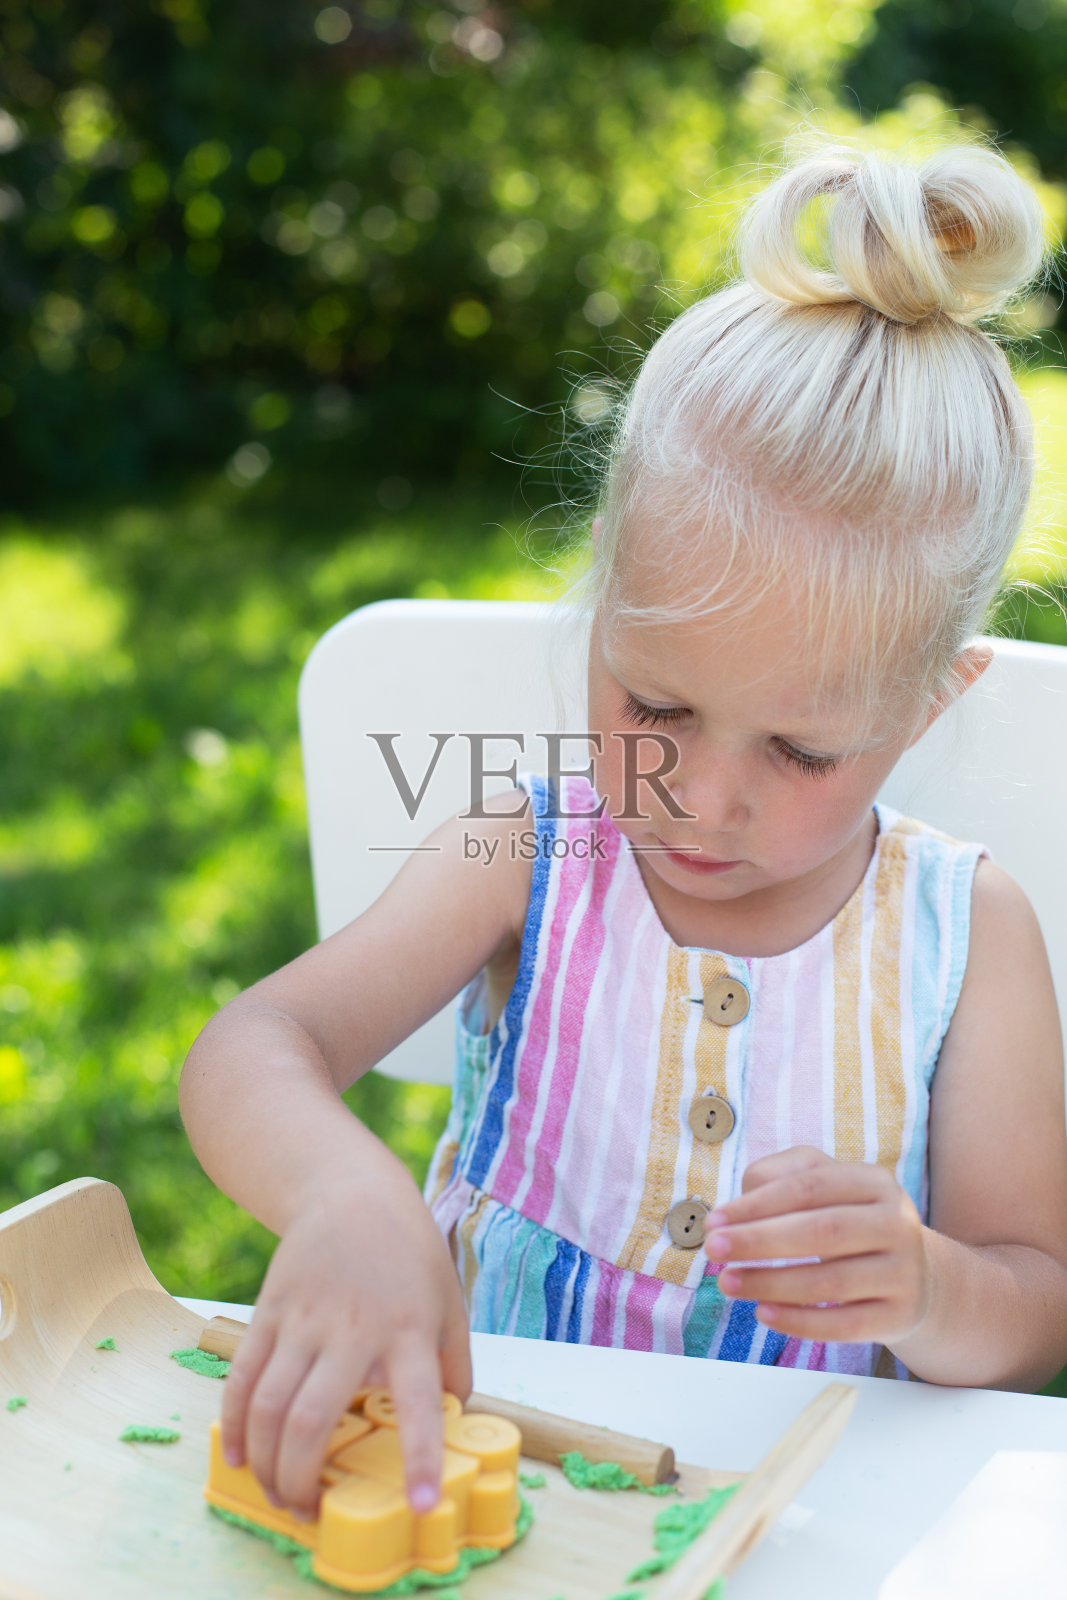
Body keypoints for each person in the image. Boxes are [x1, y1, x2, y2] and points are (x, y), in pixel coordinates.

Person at [179, 140, 1067, 1527]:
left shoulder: (969, 933)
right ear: (601, 607)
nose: (703, 796)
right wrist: (348, 1200)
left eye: (801, 748)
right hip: (483, 1480)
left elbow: (1036, 1302)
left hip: (810, 1517)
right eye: (655, 701)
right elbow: (251, 1051)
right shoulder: (528, 853)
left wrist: (935, 1287)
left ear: (930, 701)